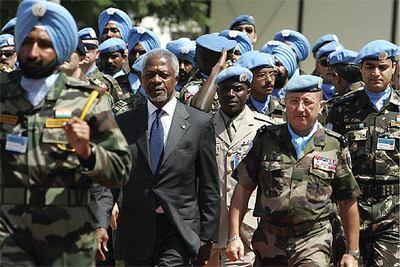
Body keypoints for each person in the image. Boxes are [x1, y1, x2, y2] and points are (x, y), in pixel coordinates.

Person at [0, 1, 132, 266]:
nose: (34, 51)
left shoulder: (86, 100)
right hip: (9, 240)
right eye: (27, 42)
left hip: (66, 242)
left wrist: (88, 152)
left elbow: (120, 169)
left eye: (45, 44)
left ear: (60, 49)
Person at [225, 75, 360, 266]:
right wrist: (234, 237)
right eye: (294, 102)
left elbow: (347, 200)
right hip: (269, 241)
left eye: (307, 102)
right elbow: (243, 188)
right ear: (285, 104)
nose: (300, 109)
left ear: (321, 106)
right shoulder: (266, 140)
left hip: (314, 239)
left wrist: (352, 252)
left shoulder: (333, 145)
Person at [113, 48, 220, 266]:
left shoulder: (199, 123)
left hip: (178, 229)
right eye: (150, 75)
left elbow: (209, 184)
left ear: (177, 78)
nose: (156, 80)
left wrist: (207, 237)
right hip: (136, 230)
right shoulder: (125, 123)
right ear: (142, 80)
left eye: (163, 74)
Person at [327, 40, 400, 266]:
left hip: (393, 213)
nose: (376, 73)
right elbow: (328, 158)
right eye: (369, 67)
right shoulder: (340, 108)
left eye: (382, 67)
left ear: (394, 67)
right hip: (349, 209)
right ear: (360, 69)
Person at [208, 66, 274, 267]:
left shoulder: (265, 128)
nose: (231, 94)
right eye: (225, 89)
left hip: (247, 226)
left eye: (237, 89)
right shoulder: (203, 126)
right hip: (211, 226)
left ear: (248, 91)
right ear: (217, 92)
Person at [179, 34, 236, 113]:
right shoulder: (193, 86)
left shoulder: (232, 83)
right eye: (226, 58)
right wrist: (217, 69)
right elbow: (200, 108)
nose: (230, 61)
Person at [237, 51, 285, 123]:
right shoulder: (239, 108)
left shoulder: (283, 107)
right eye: (261, 75)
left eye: (272, 74)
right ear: (249, 79)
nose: (269, 80)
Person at [78, 27, 124, 103]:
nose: (85, 51)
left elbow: (119, 112)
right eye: (81, 48)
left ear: (97, 54)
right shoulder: (66, 79)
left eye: (89, 48)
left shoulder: (108, 83)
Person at [117, 26, 161, 97]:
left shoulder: (160, 84)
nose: (137, 57)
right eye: (133, 53)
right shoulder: (116, 84)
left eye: (142, 53)